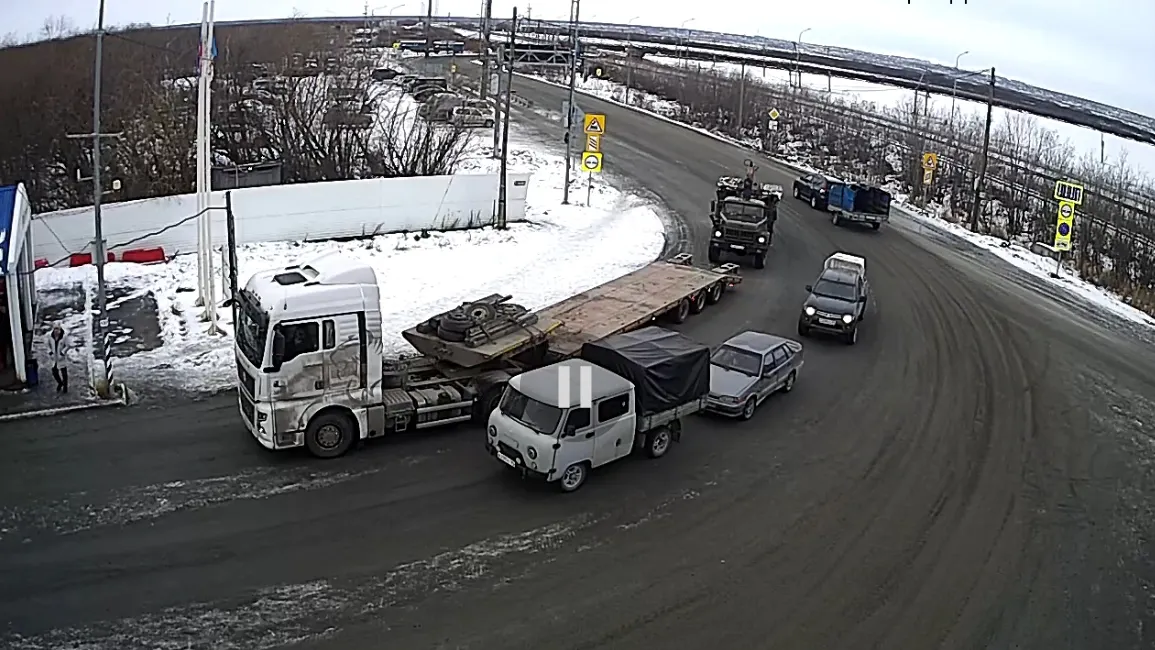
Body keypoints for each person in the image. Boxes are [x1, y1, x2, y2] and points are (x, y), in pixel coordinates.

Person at [47, 323, 69, 393]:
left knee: (64, 373)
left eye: (57, 329)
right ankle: (60, 383)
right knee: (54, 372)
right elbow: (47, 345)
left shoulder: (64, 336)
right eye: (55, 329)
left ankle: (65, 387)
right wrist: (50, 352)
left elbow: (67, 345)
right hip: (54, 357)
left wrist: (63, 352)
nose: (56, 331)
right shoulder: (50, 336)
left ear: (60, 329)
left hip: (61, 357)